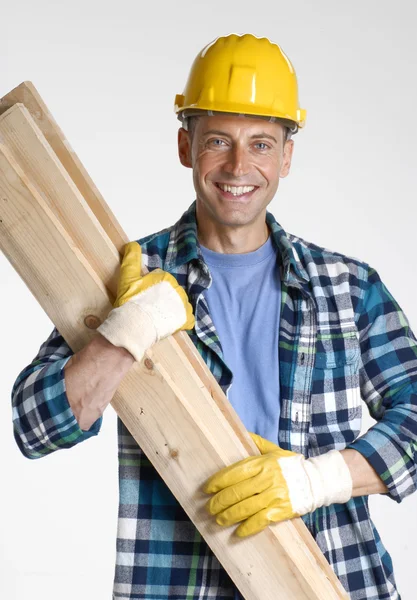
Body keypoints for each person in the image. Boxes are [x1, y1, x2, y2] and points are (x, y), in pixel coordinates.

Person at [11, 33, 416, 600]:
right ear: (186, 145)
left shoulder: (347, 287)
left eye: (261, 144)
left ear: (287, 157)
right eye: (218, 140)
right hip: (182, 581)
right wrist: (127, 331)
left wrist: (314, 481)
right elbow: (35, 427)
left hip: (331, 579)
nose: (238, 165)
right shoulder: (131, 275)